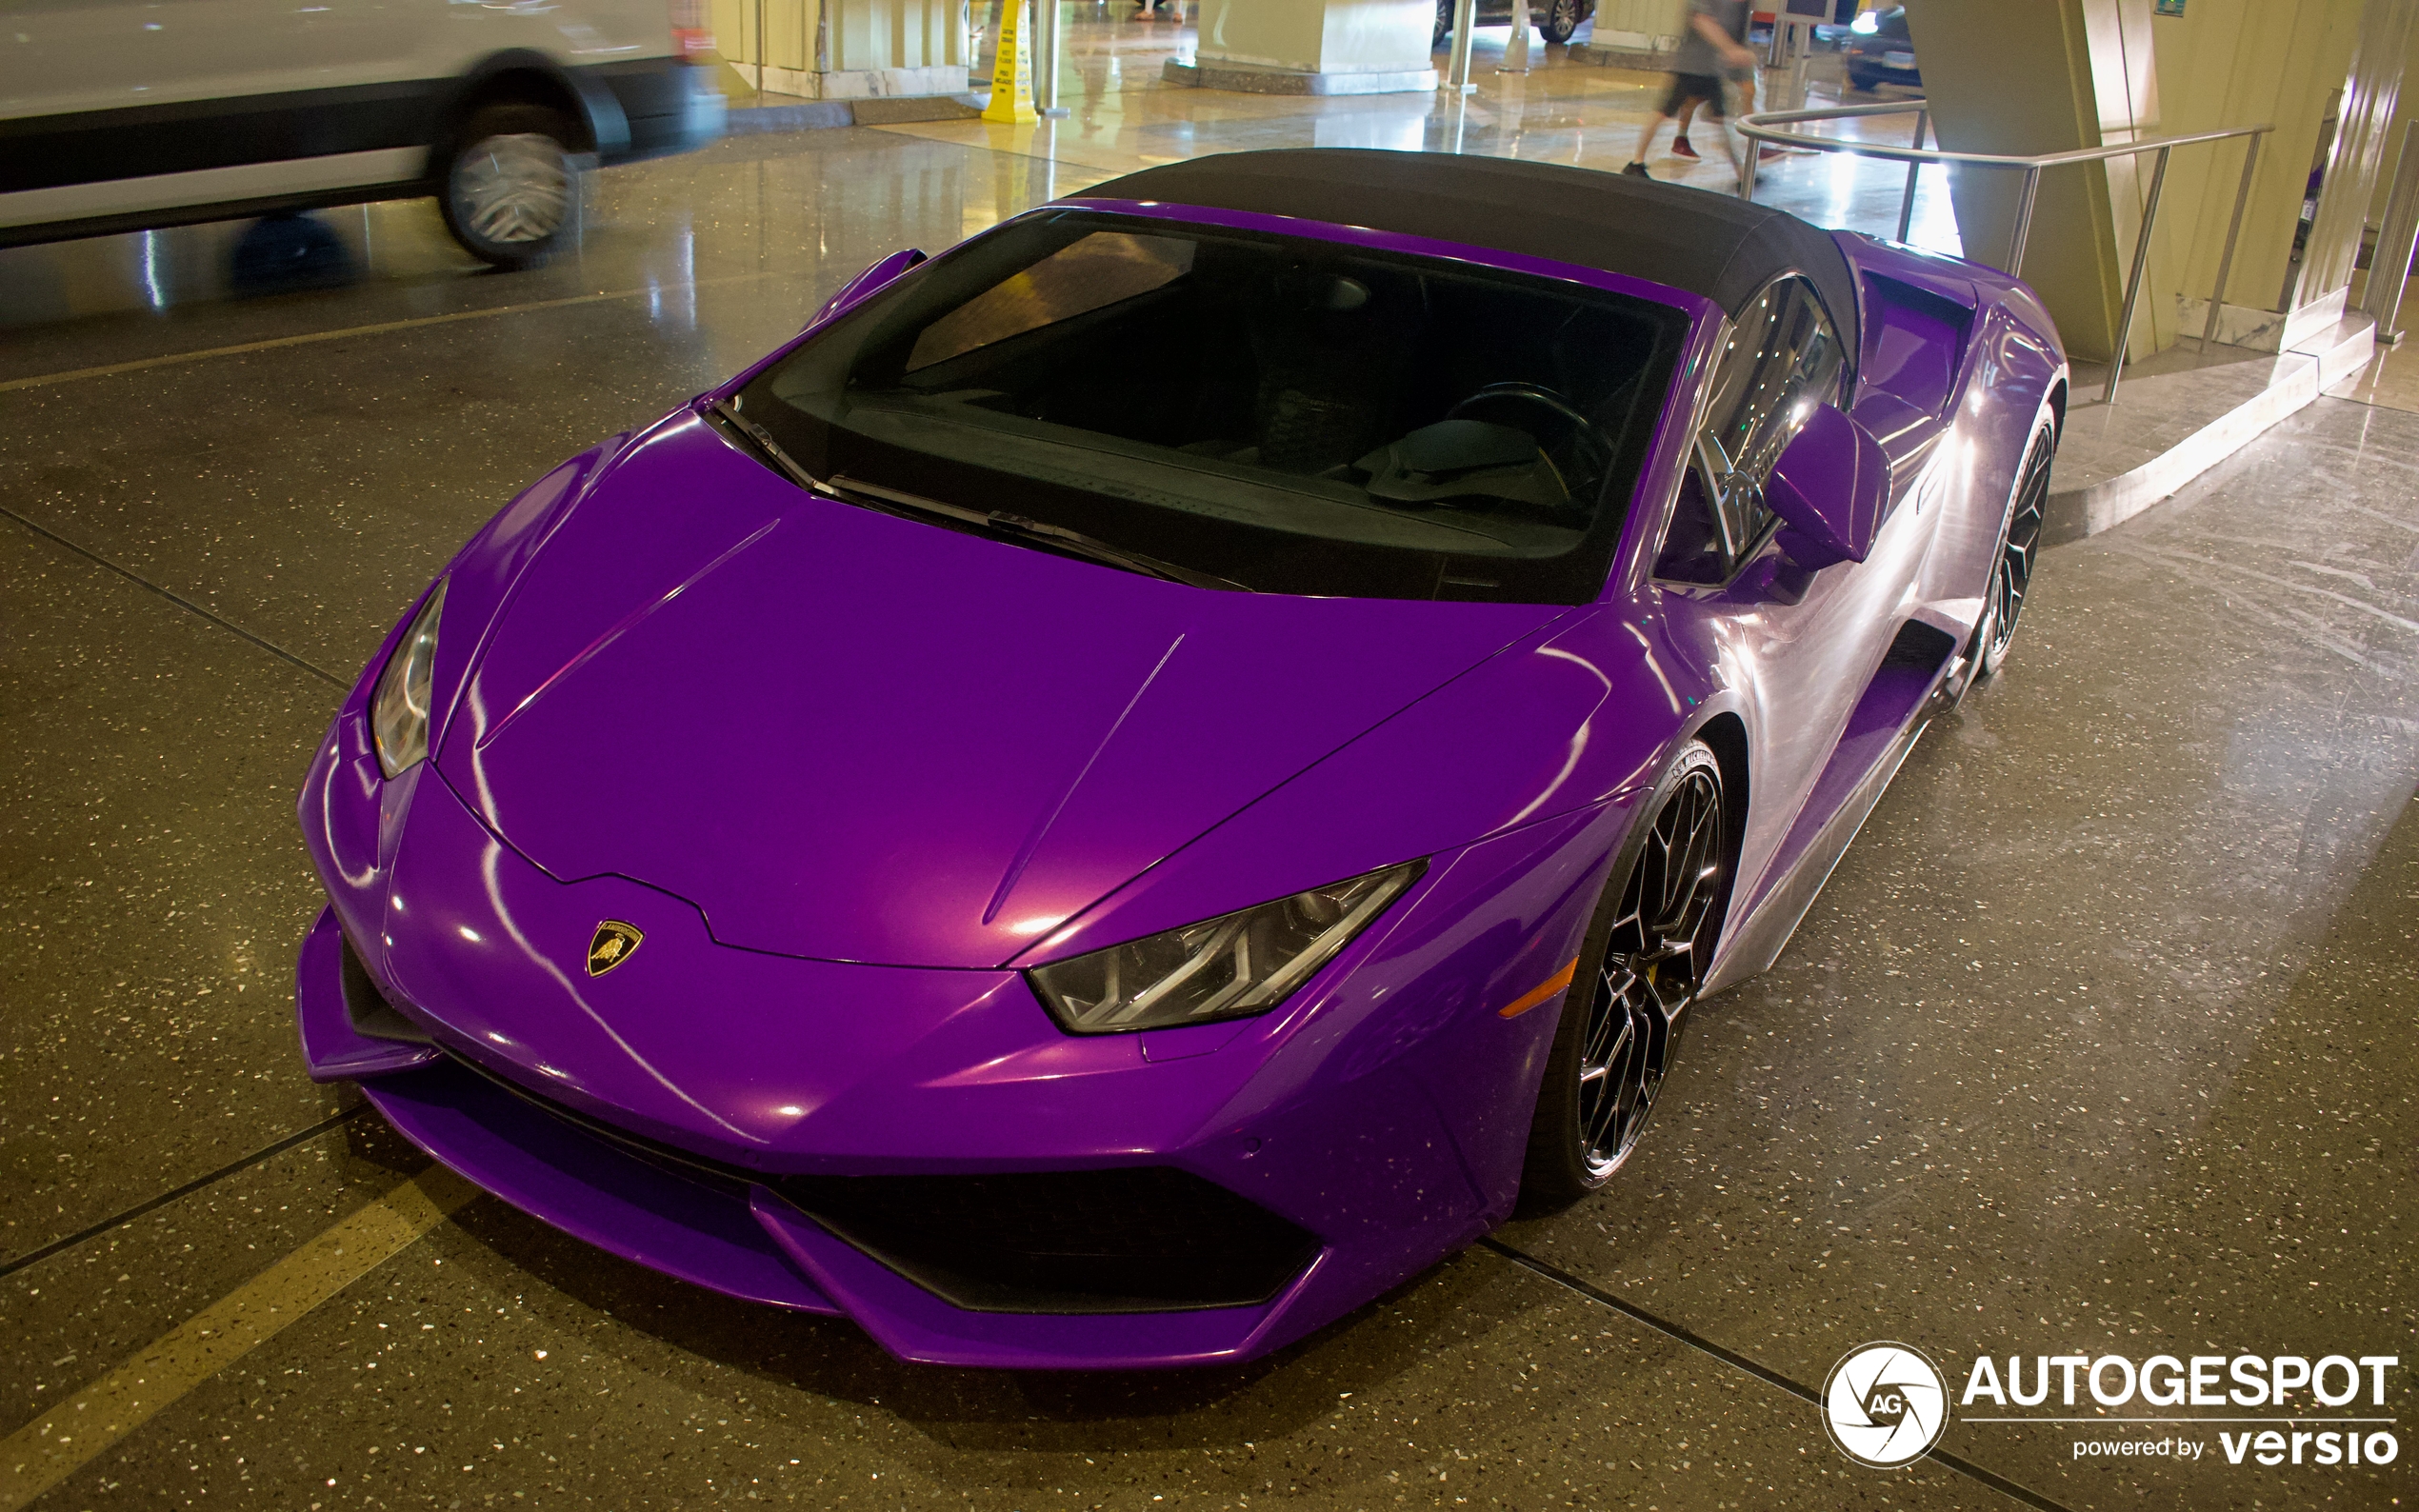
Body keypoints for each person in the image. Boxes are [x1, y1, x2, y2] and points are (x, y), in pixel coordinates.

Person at [1624, 0, 1757, 186]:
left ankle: (1742, 174)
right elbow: (1701, 20)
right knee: (1664, 111)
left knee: (1719, 120)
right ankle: (1636, 161)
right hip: (1689, 67)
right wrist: (1730, 50)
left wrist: (1733, 52)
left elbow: (1729, 29)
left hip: (1711, 69)